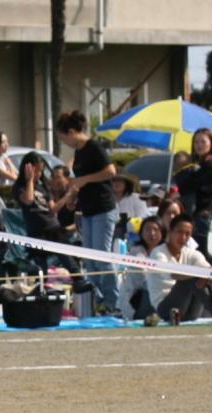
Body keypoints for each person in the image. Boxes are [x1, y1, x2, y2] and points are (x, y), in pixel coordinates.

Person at [56, 110, 118, 312]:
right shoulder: (79, 152)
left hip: (103, 209)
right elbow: (80, 182)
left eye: (63, 137)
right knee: (90, 263)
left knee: (102, 259)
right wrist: (74, 196)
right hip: (88, 211)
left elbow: (111, 171)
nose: (64, 142)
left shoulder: (93, 147)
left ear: (72, 132)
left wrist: (85, 179)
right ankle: (99, 302)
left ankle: (113, 303)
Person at [14, 152, 91, 292]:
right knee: (39, 266)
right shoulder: (20, 187)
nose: (39, 174)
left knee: (65, 254)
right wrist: (29, 180)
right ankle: (40, 288)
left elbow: (53, 209)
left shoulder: (43, 187)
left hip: (52, 227)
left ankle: (78, 279)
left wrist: (68, 195)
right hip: (36, 230)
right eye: (36, 170)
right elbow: (29, 200)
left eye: (40, 170)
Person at [151, 215, 212, 324]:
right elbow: (173, 275)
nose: (183, 237)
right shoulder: (158, 253)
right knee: (192, 276)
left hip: (191, 311)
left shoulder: (192, 253)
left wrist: (207, 275)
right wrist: (200, 275)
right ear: (170, 231)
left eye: (187, 234)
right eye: (180, 232)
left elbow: (210, 272)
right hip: (166, 309)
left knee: (206, 274)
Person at [173, 128, 212, 262]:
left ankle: (210, 282)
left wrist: (180, 177)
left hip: (202, 215)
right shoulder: (196, 164)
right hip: (194, 215)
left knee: (200, 254)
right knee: (193, 253)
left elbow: (188, 186)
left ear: (211, 144)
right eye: (196, 141)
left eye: (203, 142)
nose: (199, 145)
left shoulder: (209, 165)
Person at [122, 216, 165, 321]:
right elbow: (143, 281)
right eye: (148, 229)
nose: (152, 233)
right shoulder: (136, 253)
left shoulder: (166, 252)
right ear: (141, 233)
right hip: (140, 300)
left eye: (156, 229)